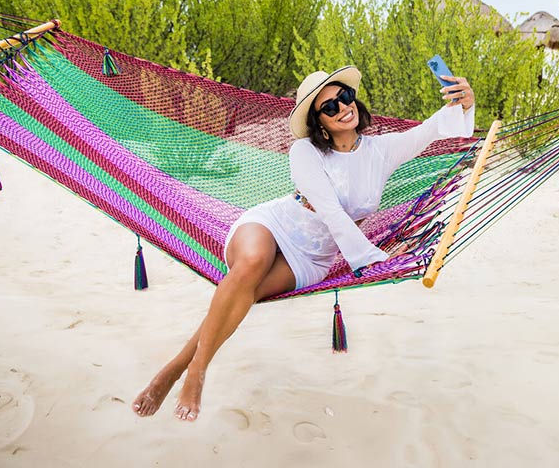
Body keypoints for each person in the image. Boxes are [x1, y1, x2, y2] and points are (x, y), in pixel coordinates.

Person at [132, 65, 476, 421]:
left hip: (312, 257)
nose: (343, 107)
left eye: (345, 97)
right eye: (330, 107)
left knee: (246, 292)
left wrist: (464, 104)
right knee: (251, 263)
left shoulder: (382, 150)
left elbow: (431, 130)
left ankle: (174, 368)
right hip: (273, 225)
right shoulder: (305, 153)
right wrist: (371, 257)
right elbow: (331, 212)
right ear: (320, 122)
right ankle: (196, 375)